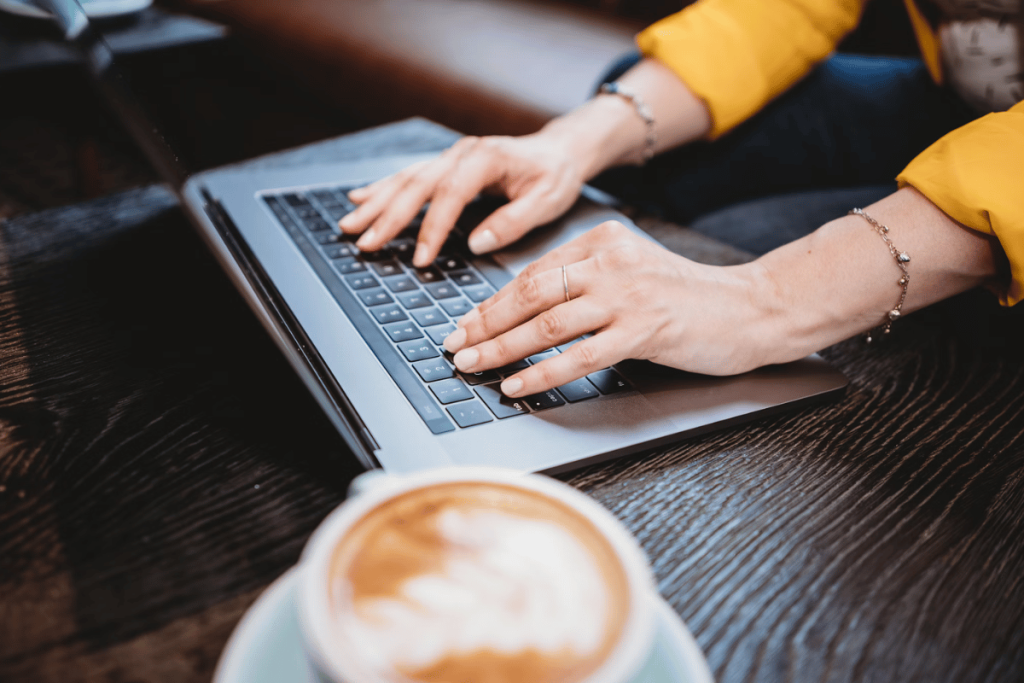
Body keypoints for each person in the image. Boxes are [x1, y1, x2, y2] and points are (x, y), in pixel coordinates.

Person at [337, 0, 1022, 401]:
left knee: (735, 241)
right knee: (634, 114)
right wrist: (566, 146)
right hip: (955, 104)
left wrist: (763, 297)